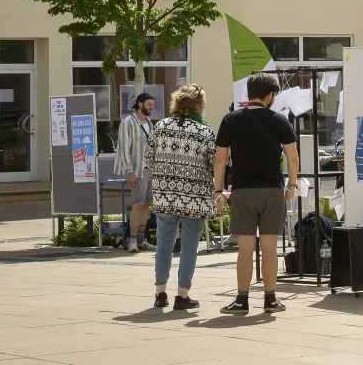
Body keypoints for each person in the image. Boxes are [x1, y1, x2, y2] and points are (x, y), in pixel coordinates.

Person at [214, 73, 299, 315]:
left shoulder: (230, 120)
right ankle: (271, 299)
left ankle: (241, 300)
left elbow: (220, 159)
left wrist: (218, 190)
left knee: (245, 248)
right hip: (272, 191)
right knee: (270, 247)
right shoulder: (279, 120)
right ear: (270, 95)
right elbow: (292, 157)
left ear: (249, 93)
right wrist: (291, 185)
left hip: (242, 191)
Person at [145, 84, 217, 310]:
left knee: (164, 243)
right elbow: (214, 163)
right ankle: (182, 295)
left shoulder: (161, 126)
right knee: (189, 245)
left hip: (165, 193)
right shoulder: (205, 131)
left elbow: (148, 158)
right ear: (197, 105)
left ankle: (160, 293)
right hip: (194, 196)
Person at [116, 92, 156, 252]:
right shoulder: (128, 123)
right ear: (140, 104)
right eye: (149, 104)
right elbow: (124, 148)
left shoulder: (149, 123)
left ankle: (141, 239)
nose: (151, 107)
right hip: (137, 169)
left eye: (152, 105)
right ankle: (132, 239)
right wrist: (129, 171)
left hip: (149, 168)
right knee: (138, 203)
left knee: (146, 204)